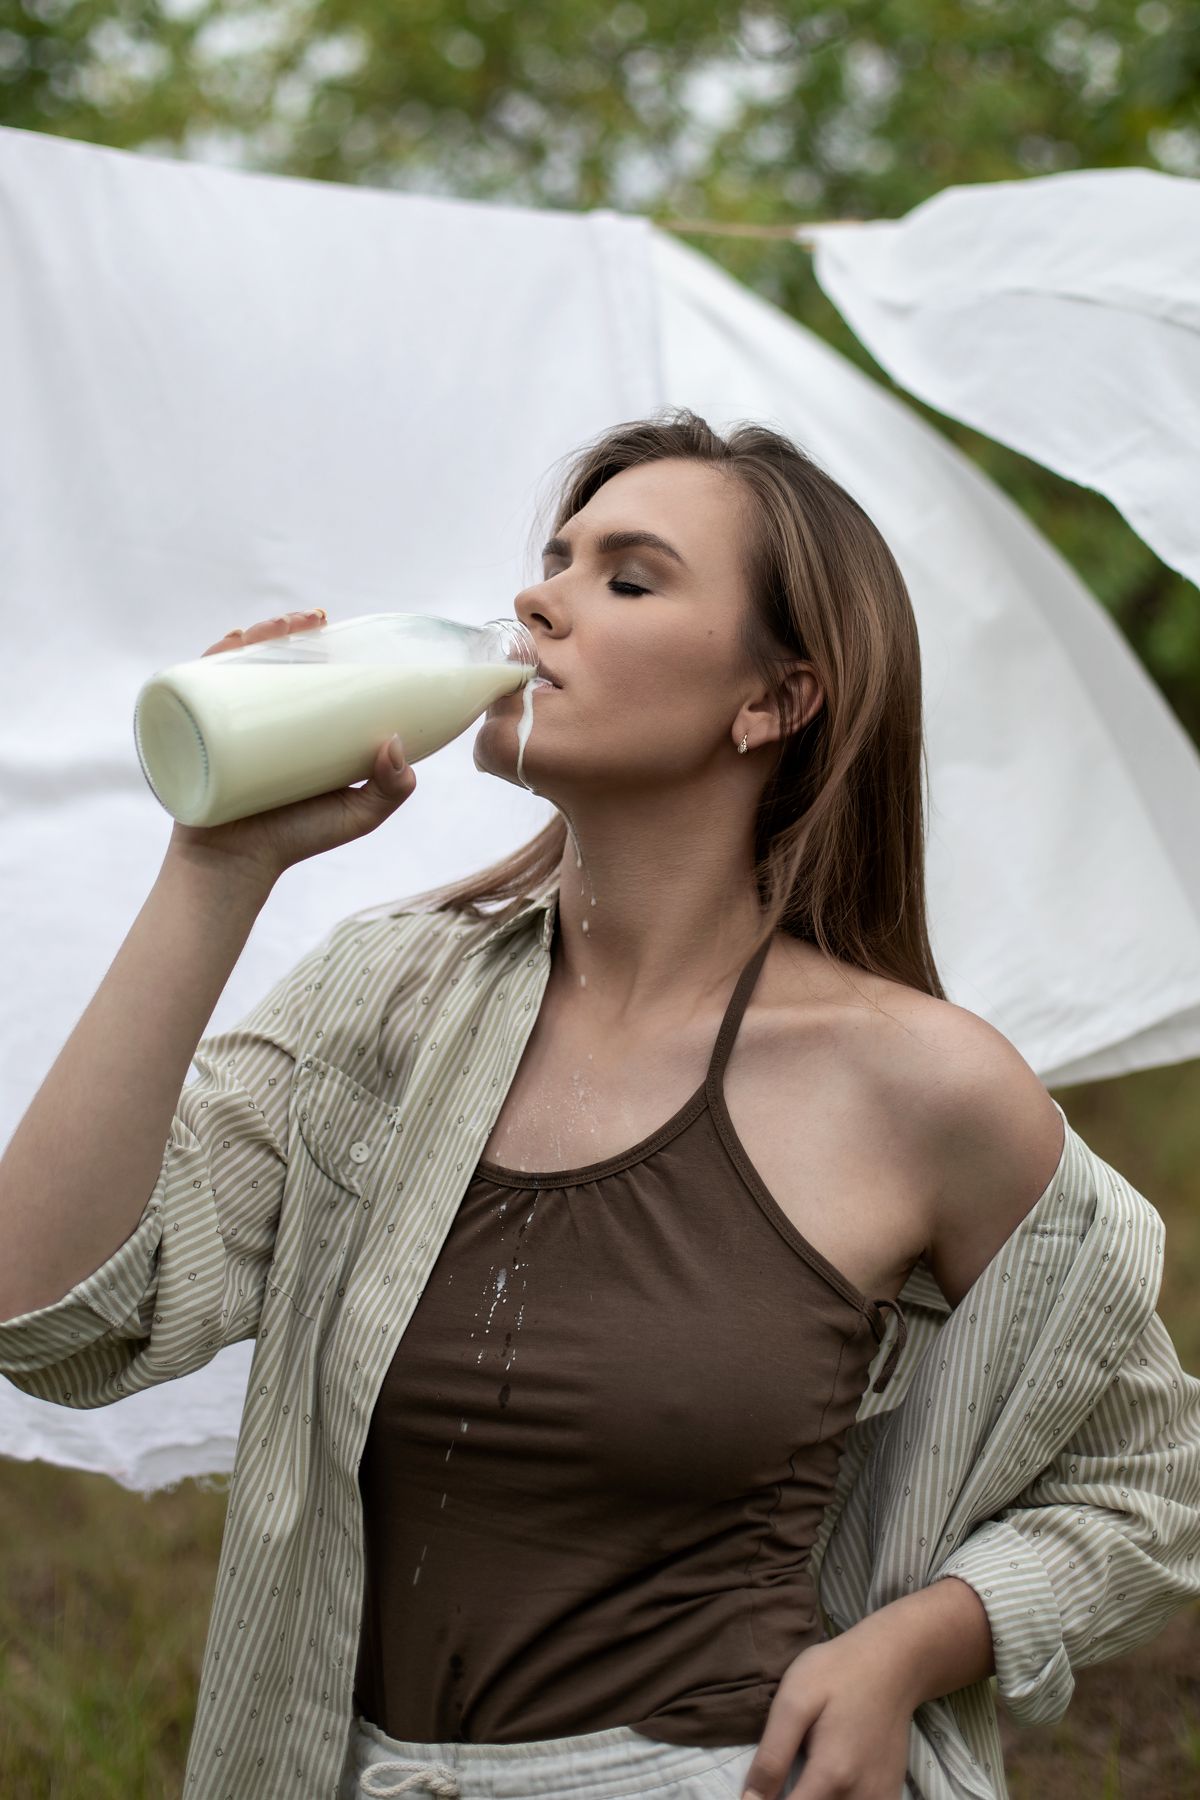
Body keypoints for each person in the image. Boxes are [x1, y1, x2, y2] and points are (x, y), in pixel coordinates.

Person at [1, 408, 1197, 1800]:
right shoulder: (383, 1004)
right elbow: (48, 1313)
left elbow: (1152, 1480)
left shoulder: (919, 1086)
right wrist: (212, 871)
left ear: (775, 702)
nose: (539, 600)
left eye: (627, 578)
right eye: (554, 561)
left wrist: (906, 1649)